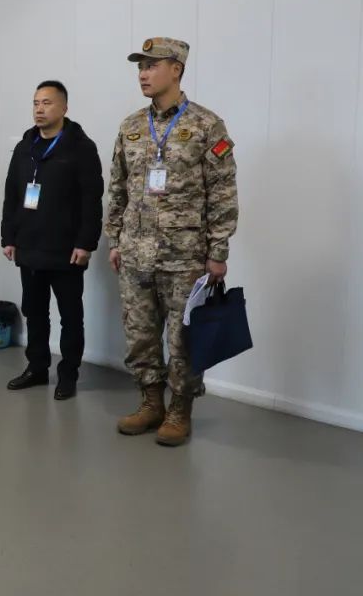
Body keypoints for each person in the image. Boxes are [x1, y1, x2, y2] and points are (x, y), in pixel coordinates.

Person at [107, 37, 239, 446]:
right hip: (135, 254)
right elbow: (117, 187)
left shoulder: (206, 125)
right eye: (140, 67)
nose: (143, 74)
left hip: (185, 257)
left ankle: (180, 409)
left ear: (176, 69)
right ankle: (151, 403)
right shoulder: (130, 127)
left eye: (151, 65)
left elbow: (223, 192)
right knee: (140, 335)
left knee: (183, 340)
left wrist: (218, 252)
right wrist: (115, 239)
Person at [1, 81, 103, 401]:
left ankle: (68, 374)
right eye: (36, 103)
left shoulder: (81, 147)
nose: (39, 109)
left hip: (66, 250)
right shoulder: (25, 146)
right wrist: (8, 236)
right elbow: (12, 194)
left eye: (47, 103)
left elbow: (91, 200)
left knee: (70, 316)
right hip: (29, 246)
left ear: (64, 108)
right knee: (35, 312)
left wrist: (85, 243)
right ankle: (37, 368)